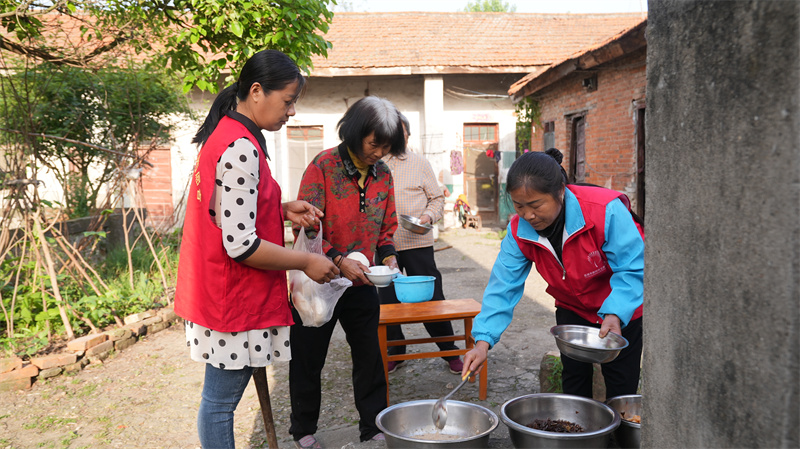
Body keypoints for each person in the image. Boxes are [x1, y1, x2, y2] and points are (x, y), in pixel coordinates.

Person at [173, 49, 340, 449]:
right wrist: (307, 261)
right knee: (220, 402)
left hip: (220, 291)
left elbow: (228, 212)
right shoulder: (240, 146)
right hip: (234, 297)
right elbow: (241, 244)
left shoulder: (229, 136)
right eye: (287, 101)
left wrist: (280, 210)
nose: (292, 111)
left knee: (219, 398)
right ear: (256, 91)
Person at [462, 148, 644, 400]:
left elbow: (633, 267)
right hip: (572, 308)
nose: (528, 215)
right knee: (574, 380)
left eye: (536, 205)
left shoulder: (604, 210)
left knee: (621, 383)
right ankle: (580, 435)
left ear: (560, 191)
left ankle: (620, 436)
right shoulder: (518, 231)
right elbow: (503, 287)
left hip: (621, 307)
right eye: (519, 206)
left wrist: (615, 313)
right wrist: (481, 343)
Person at [289, 96, 405, 448]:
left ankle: (373, 426)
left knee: (370, 357)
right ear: (356, 133)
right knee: (308, 357)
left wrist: (389, 259)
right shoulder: (322, 166)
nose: (379, 152)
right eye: (374, 143)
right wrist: (339, 261)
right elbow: (308, 231)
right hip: (317, 281)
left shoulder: (383, 175)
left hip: (362, 281)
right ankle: (303, 430)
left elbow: (386, 230)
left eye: (387, 146)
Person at [379, 113, 463, 375]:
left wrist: (427, 217)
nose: (396, 137)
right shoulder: (375, 163)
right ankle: (396, 350)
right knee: (387, 302)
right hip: (382, 245)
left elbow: (437, 199)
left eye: (401, 133)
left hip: (416, 242)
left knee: (431, 299)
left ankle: (449, 351)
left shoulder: (420, 163)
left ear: (407, 136)